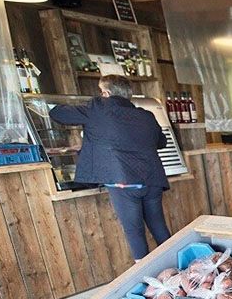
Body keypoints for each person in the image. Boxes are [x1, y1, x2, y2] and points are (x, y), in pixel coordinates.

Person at [49, 74, 170, 261]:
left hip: (123, 182)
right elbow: (161, 142)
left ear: (105, 93)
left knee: (134, 232)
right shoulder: (146, 115)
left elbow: (57, 113)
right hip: (152, 180)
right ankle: (180, 271)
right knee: (159, 228)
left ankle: (148, 281)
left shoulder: (97, 107)